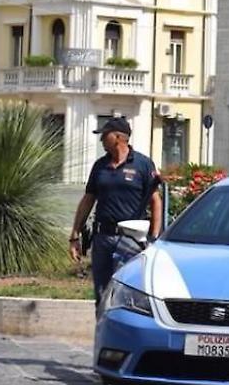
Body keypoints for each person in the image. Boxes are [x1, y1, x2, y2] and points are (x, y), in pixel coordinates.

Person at [69, 117, 162, 305]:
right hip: (102, 238)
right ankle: (102, 324)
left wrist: (153, 238)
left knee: (126, 294)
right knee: (102, 294)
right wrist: (75, 235)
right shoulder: (100, 166)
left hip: (131, 239)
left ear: (119, 137)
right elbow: (88, 200)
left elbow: (155, 202)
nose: (101, 139)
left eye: (105, 135)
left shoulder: (143, 164)